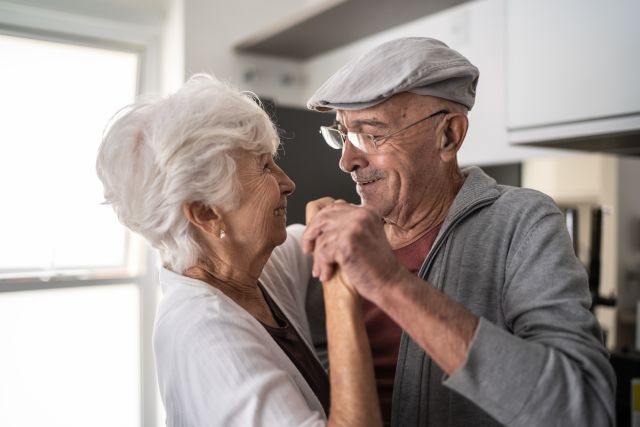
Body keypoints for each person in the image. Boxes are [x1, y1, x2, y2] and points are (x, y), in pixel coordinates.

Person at [303, 37, 616, 426]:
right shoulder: (338, 241)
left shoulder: (522, 223)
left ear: (449, 135)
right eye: (343, 134)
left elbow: (583, 410)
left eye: (372, 134)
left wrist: (389, 282)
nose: (347, 160)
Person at [95, 74, 382, 426]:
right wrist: (340, 293)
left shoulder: (253, 268)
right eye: (263, 166)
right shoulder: (204, 338)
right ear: (204, 211)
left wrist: (333, 221)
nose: (288, 183)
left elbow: (323, 234)